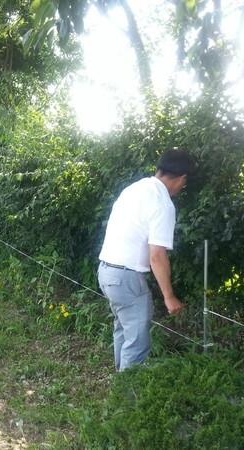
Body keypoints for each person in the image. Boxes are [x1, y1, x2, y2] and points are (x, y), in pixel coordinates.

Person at [97, 149, 196, 371]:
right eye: (184, 184)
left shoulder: (136, 188)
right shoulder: (162, 203)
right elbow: (157, 255)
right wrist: (169, 297)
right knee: (138, 343)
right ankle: (128, 398)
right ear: (182, 178)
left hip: (107, 272)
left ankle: (120, 387)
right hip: (126, 277)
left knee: (123, 330)